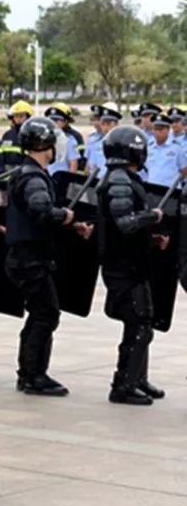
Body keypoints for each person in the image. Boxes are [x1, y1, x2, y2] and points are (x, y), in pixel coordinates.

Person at [5, 118, 80, 396]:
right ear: (45, 145)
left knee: (40, 313)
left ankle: (28, 372)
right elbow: (40, 208)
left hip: (25, 256)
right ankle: (34, 376)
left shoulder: (22, 172)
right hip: (31, 258)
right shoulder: (34, 177)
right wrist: (64, 215)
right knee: (46, 314)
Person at [98, 126, 166, 405]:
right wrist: (153, 216)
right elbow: (125, 223)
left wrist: (152, 236)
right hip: (123, 267)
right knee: (139, 325)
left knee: (142, 322)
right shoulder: (119, 181)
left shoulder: (124, 179)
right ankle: (123, 385)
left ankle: (137, 378)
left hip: (132, 264)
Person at [145, 114, 186, 188]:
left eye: (160, 129)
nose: (157, 132)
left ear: (168, 130)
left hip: (171, 190)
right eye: (155, 129)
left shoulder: (177, 148)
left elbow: (184, 171)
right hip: (152, 188)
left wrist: (174, 183)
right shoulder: (149, 147)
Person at [85, 102, 122, 177]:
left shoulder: (120, 141)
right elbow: (90, 162)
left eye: (108, 124)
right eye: (103, 123)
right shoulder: (95, 139)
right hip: (96, 177)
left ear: (116, 124)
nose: (105, 127)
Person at [0, 101, 33, 174]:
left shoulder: (31, 135)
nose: (18, 118)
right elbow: (1, 155)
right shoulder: (7, 134)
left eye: (21, 116)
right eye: (16, 116)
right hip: (7, 173)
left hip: (24, 172)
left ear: (27, 117)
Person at [44, 104, 82, 174]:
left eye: (56, 120)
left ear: (65, 122)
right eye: (51, 120)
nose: (53, 123)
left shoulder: (69, 140)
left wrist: (69, 178)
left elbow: (73, 163)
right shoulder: (44, 139)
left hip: (61, 177)